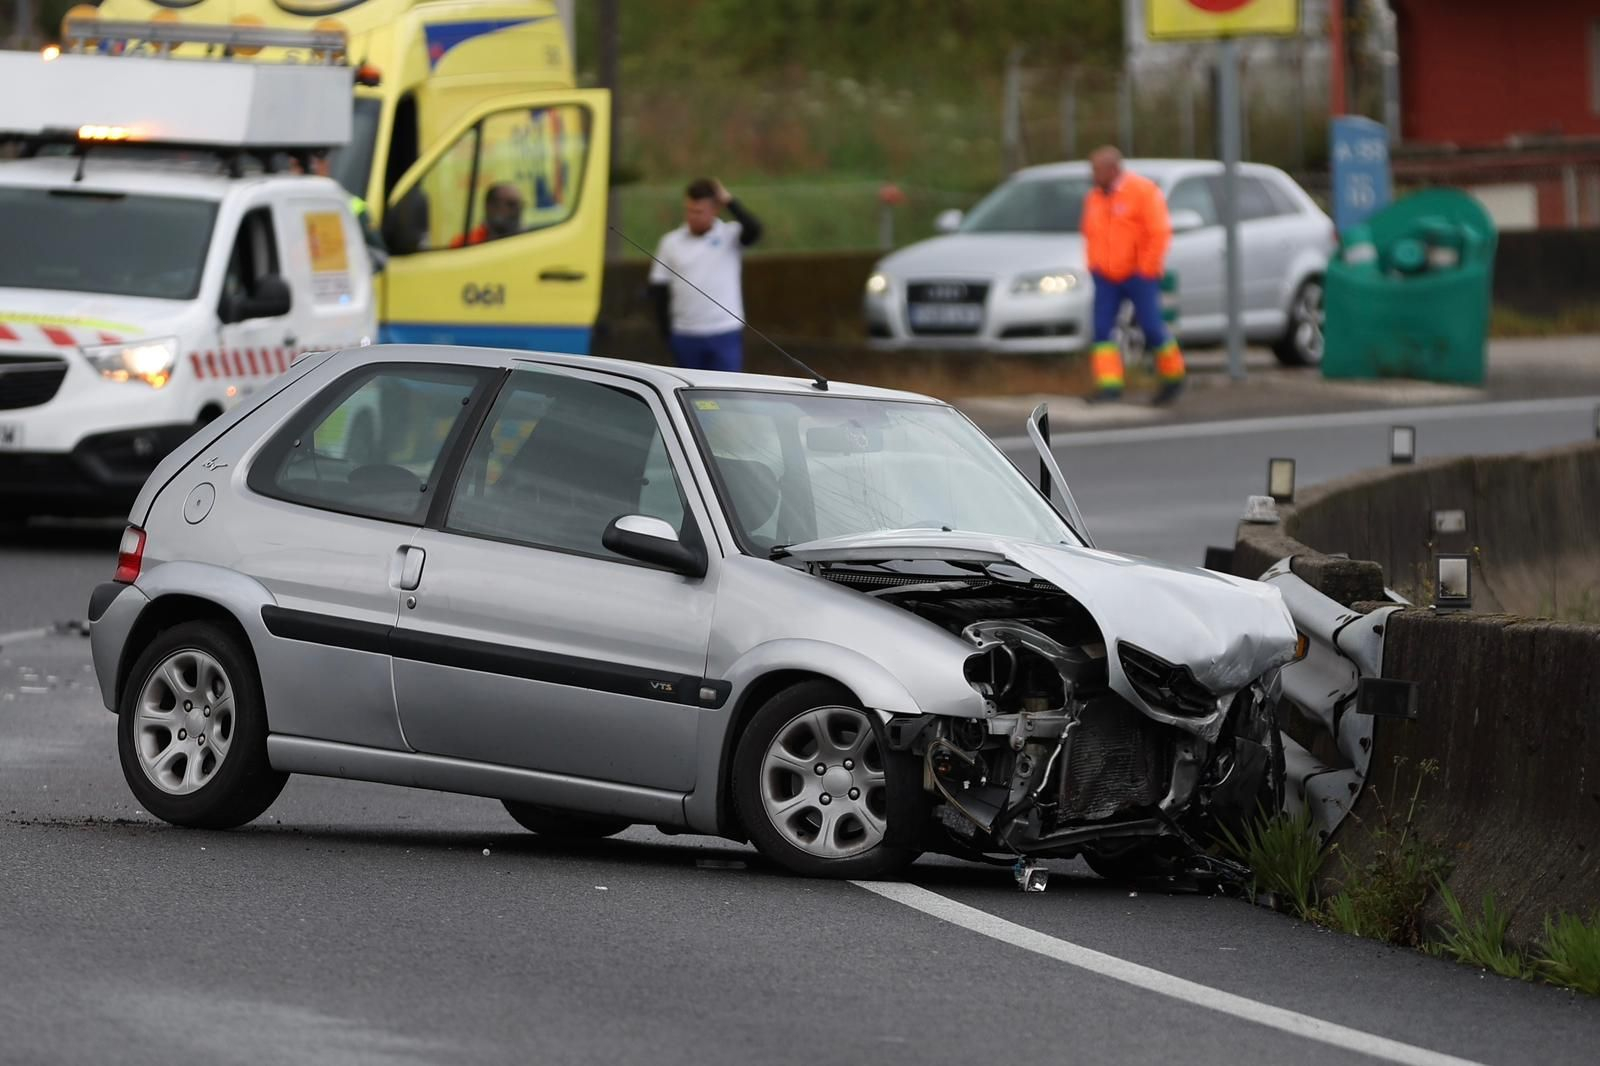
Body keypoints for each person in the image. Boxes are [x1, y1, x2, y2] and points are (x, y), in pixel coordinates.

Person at [1080, 146, 1185, 405]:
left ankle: (1174, 377)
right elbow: (1091, 234)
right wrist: (1095, 266)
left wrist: (1146, 268)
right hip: (1106, 277)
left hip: (1139, 275)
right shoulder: (1094, 198)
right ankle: (1109, 387)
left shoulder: (1142, 192)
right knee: (1102, 331)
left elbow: (1158, 232)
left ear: (1113, 169)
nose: (1093, 175)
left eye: (1097, 169)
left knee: (1151, 326)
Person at [647, 177, 763, 372]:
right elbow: (659, 288)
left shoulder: (729, 235)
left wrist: (729, 201)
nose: (693, 216)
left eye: (699, 211)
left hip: (724, 331)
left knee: (726, 392)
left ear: (715, 210)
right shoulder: (670, 242)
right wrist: (666, 334)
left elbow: (754, 229)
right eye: (689, 210)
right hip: (685, 333)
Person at [452, 182, 526, 247]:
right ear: (491, 206)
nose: (518, 210)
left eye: (521, 205)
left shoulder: (527, 240)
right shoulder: (464, 243)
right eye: (511, 204)